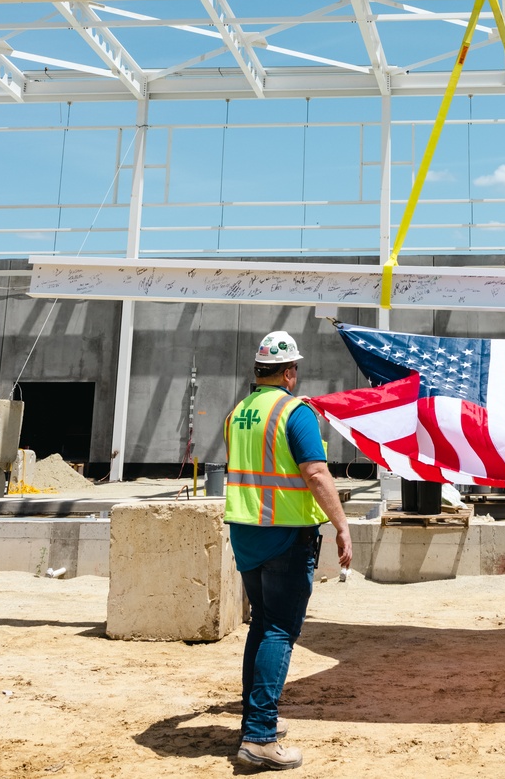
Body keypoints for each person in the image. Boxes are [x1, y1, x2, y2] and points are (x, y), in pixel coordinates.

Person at [224, 330, 352, 771]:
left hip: (246, 531)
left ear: (259, 370)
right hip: (285, 533)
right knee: (279, 630)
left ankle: (253, 724)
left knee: (263, 625)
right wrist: (341, 525)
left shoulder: (239, 413)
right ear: (290, 372)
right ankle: (260, 737)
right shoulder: (293, 413)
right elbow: (316, 473)